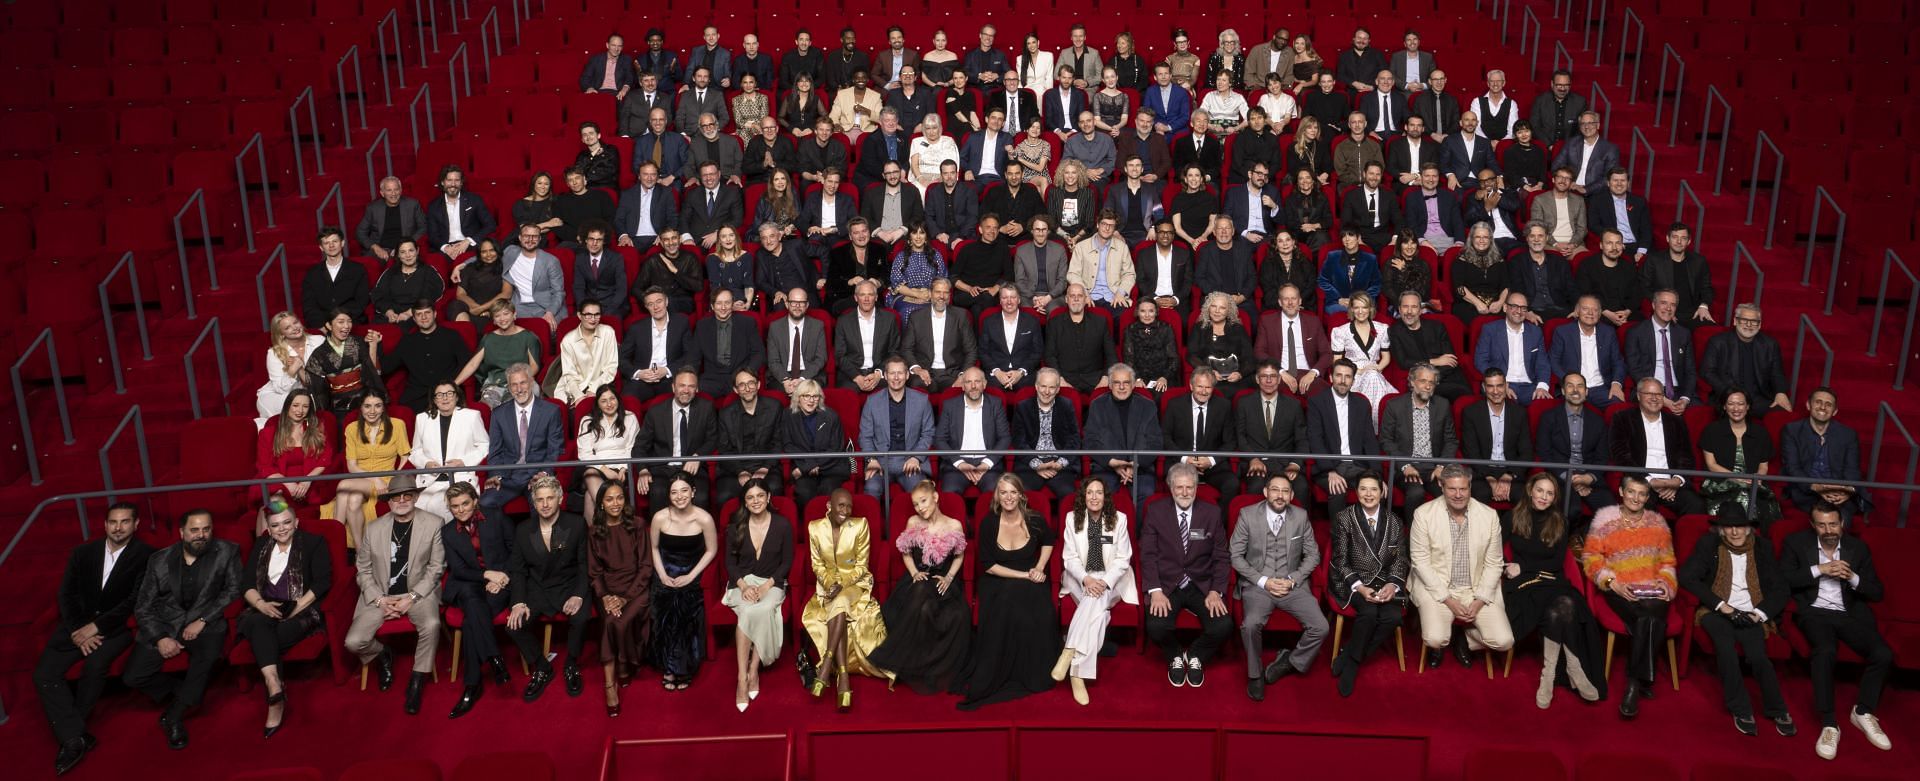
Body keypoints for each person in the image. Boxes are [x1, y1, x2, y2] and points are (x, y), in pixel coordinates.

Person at [35, 502, 153, 774]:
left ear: (135, 525)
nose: (118, 527)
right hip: (75, 628)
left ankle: (71, 739)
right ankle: (75, 735)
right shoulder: (82, 553)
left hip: (115, 629)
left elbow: (134, 601)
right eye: (113, 521)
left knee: (95, 666)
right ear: (105, 524)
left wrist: (97, 627)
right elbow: (66, 594)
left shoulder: (147, 555)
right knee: (43, 674)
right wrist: (81, 630)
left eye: (125, 522)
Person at [1781, 503, 1896, 760]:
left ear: (1841, 524)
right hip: (1814, 612)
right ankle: (1829, 723)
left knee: (1883, 654)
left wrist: (1853, 577)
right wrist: (1818, 570)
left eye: (1833, 524)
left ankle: (1863, 711)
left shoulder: (1858, 548)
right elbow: (1781, 580)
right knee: (1825, 651)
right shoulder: (1796, 543)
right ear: (1813, 526)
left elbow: (1877, 592)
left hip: (1848, 614)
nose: (1828, 529)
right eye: (1821, 524)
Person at [124, 509, 241, 751]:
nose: (202, 535)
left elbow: (233, 591)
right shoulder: (159, 560)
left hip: (205, 623)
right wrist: (160, 638)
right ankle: (186, 692)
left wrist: (203, 620)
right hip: (166, 624)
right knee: (133, 676)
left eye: (206, 529)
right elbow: (143, 606)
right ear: (182, 532)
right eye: (195, 530)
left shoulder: (228, 551)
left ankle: (174, 717)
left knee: (207, 657)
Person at [1678, 504, 1795, 737]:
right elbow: (1688, 576)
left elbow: (1781, 588)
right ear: (1721, 530)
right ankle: (1740, 709)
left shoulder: (1763, 548)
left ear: (1749, 529)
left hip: (1751, 612)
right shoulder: (1708, 545)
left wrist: (1759, 613)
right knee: (1726, 650)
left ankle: (1777, 709)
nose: (1734, 532)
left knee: (1759, 657)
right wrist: (1723, 606)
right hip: (1717, 611)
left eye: (1739, 527)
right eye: (1729, 527)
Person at [1502, 474, 1605, 709]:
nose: (1543, 497)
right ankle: (1572, 667)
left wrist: (1524, 566)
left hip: (1551, 579)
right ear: (1530, 490)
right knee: (1561, 607)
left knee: (1562, 606)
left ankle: (1550, 675)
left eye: (1549, 493)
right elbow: (1494, 549)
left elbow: (1557, 563)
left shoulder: (1560, 521)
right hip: (1524, 585)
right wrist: (1506, 568)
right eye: (1540, 491)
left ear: (1554, 497)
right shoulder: (1512, 517)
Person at [957, 476, 1059, 710]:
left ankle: (1032, 671)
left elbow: (1049, 541)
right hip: (997, 579)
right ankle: (1000, 670)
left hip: (1031, 576)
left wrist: (1040, 567)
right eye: (1003, 493)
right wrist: (1025, 575)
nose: (1009, 497)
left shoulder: (1035, 519)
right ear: (997, 497)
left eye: (1013, 492)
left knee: (1038, 604)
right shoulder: (988, 524)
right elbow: (988, 565)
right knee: (1007, 601)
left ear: (1022, 495)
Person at [344, 476, 444, 715]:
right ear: (388, 501)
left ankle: (418, 679)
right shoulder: (373, 528)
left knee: (431, 624)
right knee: (353, 642)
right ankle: (382, 653)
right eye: (396, 496)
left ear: (416, 497)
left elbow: (436, 568)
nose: (402, 500)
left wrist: (412, 597)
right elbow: (363, 569)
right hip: (381, 595)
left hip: (417, 593)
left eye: (407, 495)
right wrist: (379, 599)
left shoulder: (434, 523)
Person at [1582, 474, 1677, 718]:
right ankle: (1643, 680)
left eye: (1642, 494)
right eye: (1631, 492)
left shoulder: (1658, 523)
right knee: (1651, 617)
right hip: (1621, 588)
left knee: (1650, 613)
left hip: (1653, 591)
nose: (1636, 498)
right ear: (1622, 493)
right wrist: (1611, 582)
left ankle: (1633, 683)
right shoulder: (1604, 519)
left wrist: (1666, 583)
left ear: (1647, 497)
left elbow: (1668, 561)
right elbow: (1591, 559)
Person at [237, 499, 331, 736]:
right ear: (268, 528)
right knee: (259, 622)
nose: (282, 528)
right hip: (263, 609)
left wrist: (294, 610)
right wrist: (261, 604)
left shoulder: (313, 543)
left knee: (264, 636)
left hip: (299, 610)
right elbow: (247, 585)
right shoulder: (261, 545)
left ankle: (273, 694)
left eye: (287, 522)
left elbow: (322, 583)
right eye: (276, 525)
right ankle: (274, 687)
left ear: (296, 522)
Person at [1231, 473, 1328, 701]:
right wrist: (1263, 581)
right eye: (1275, 490)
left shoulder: (1301, 516)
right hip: (1258, 584)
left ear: (1292, 495)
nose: (1280, 495)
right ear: (1265, 492)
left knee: (1321, 627)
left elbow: (1313, 555)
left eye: (1285, 491)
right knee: (1251, 624)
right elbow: (1235, 556)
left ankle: (1291, 661)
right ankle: (1255, 674)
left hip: (1292, 585)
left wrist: (1293, 579)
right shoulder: (1247, 515)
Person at [868, 482, 972, 693]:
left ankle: (904, 660)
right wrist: (914, 572)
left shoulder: (954, 525)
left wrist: (950, 577)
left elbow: (960, 555)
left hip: (944, 580)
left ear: (935, 497)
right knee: (923, 602)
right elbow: (905, 552)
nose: (920, 508)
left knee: (953, 613)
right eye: (916, 504)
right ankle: (916, 666)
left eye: (923, 501)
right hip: (917, 579)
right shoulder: (913, 522)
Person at [1409, 466, 1514, 668]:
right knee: (1435, 639)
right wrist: (1448, 600)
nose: (1458, 495)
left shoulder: (1489, 516)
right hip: (1438, 589)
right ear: (1441, 486)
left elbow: (1494, 563)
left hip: (1475, 589)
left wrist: (1481, 599)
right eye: (1452, 489)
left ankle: (1464, 638)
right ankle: (1446, 638)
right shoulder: (1423, 514)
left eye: (1463, 489)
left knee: (1504, 641)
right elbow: (1420, 562)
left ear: (1470, 487)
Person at [1140, 464, 1232, 688]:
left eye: (1189, 487)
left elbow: (1221, 556)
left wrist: (1215, 591)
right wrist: (1155, 591)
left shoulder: (1211, 512)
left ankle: (1196, 656)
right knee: (1156, 626)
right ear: (1171, 488)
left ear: (1196, 488)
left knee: (1223, 626)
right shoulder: (1155, 511)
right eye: (1179, 487)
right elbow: (1148, 554)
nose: (1184, 492)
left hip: (1201, 583)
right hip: (1166, 582)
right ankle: (1174, 656)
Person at [506, 474, 594, 700]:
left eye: (550, 498)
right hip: (538, 589)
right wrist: (518, 602)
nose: (545, 504)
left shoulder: (575, 524)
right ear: (533, 502)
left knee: (581, 618)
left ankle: (571, 664)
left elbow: (585, 565)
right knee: (514, 626)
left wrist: (578, 595)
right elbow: (518, 570)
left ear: (560, 498)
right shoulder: (523, 529)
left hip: (569, 585)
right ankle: (543, 667)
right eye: (539, 499)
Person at [802, 489, 891, 707]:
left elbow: (862, 566)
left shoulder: (860, 525)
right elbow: (817, 564)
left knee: (841, 600)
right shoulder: (815, 527)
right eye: (840, 505)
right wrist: (829, 584)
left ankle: (826, 665)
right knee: (838, 604)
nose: (845, 510)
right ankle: (843, 676)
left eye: (849, 506)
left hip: (854, 584)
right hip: (827, 586)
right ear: (829, 506)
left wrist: (840, 584)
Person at [1055, 476, 1135, 705]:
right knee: (1099, 613)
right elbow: (1069, 558)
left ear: (1105, 496)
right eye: (1089, 492)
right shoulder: (1072, 519)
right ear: (1083, 496)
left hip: (1112, 579)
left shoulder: (1119, 520)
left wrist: (1105, 581)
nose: (1094, 497)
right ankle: (1078, 673)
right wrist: (1086, 579)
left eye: (1098, 492)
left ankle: (1069, 654)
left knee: (1096, 601)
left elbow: (1123, 559)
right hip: (1080, 578)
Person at [1325, 472, 1406, 696]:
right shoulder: (1344, 518)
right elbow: (1339, 560)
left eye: (1373, 489)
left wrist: (1392, 585)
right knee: (1369, 613)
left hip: (1382, 582)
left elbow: (1400, 560)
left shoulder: (1395, 521)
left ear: (1382, 493)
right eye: (1363, 489)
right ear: (1356, 492)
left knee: (1394, 617)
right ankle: (1352, 667)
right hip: (1352, 581)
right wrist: (1360, 587)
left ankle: (1350, 655)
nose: (1368, 494)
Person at [440, 482, 514, 719]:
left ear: (475, 500)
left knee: (473, 618)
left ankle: (472, 684)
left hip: (500, 580)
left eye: (464, 504)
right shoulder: (449, 532)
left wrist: (501, 577)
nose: (460, 510)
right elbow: (458, 570)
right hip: (468, 582)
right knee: (472, 601)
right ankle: (494, 658)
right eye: (454, 507)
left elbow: (515, 551)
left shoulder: (496, 517)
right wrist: (485, 575)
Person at [722, 480, 791, 711]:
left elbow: (787, 561)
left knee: (759, 608)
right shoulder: (735, 526)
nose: (756, 501)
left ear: (769, 497)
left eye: (760, 496)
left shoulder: (782, 525)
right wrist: (743, 586)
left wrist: (766, 586)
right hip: (742, 583)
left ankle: (753, 669)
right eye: (750, 497)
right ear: (745, 501)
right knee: (749, 610)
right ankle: (742, 678)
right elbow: (730, 564)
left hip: (772, 583)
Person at [1611, 378, 1707, 516]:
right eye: (1649, 394)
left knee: (1696, 505)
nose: (1654, 398)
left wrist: (1677, 480)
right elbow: (1621, 455)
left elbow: (1686, 456)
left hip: (1672, 484)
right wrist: (1650, 481)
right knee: (1644, 509)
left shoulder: (1676, 422)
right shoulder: (1622, 418)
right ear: (1638, 395)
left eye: (1659, 394)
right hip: (1640, 481)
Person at [479, 364, 565, 515]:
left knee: (542, 506)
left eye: (523, 383)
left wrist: (544, 474)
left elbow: (555, 449)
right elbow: (495, 451)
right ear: (509, 388)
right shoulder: (499, 414)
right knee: (485, 503)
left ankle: (535, 538)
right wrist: (496, 475)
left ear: (531, 382)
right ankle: (511, 538)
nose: (519, 389)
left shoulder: (551, 411)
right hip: (508, 476)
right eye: (514, 384)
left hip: (537, 475)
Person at [332, 393, 410, 549]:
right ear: (361, 408)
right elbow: (352, 466)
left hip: (387, 480)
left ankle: (335, 542)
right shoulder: (352, 428)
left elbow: (405, 458)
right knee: (353, 500)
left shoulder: (397, 425)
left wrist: (396, 481)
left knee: (342, 486)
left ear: (383, 408)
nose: (372, 411)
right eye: (367, 406)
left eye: (378, 405)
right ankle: (360, 551)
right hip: (362, 478)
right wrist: (374, 479)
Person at [1780, 388, 1872, 521]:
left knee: (1842, 518)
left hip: (1839, 491)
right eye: (1818, 402)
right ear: (1808, 405)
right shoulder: (1791, 431)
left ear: (1835, 411)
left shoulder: (1848, 434)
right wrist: (1818, 487)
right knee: (1825, 517)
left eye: (1828, 404)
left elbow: (1852, 469)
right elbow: (1793, 468)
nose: (1823, 407)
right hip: (1808, 490)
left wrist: (1846, 490)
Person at [1379, 364, 1458, 518]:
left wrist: (1441, 466)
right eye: (1423, 381)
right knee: (1416, 493)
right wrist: (1405, 465)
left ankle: (1439, 538)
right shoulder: (1394, 406)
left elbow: (1451, 441)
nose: (1427, 386)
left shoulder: (1442, 405)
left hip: (1434, 467)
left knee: (1448, 494)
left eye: (1432, 382)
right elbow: (1386, 440)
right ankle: (1412, 538)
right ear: (1412, 382)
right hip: (1406, 466)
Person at [634, 369, 718, 508]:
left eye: (691, 386)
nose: (686, 390)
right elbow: (640, 446)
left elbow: (713, 439)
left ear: (697, 389)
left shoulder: (706, 408)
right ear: (673, 387)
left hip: (693, 467)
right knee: (658, 492)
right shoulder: (656, 411)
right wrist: (643, 470)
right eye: (682, 385)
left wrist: (697, 456)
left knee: (701, 496)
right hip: (662, 467)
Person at [371, 299, 474, 413]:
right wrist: (375, 345)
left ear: (435, 314)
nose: (423, 317)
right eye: (419, 314)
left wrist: (452, 384)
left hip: (447, 393)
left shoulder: (452, 335)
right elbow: (385, 367)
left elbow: (466, 362)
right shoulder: (407, 341)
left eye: (427, 313)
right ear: (414, 319)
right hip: (417, 396)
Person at [1308, 360, 1382, 518]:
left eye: (1348, 377)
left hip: (1357, 466)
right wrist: (1330, 471)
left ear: (1353, 381)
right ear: (1331, 377)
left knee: (1373, 491)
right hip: (1329, 466)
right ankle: (1339, 540)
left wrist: (1377, 475)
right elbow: (1316, 440)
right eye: (1339, 375)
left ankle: (1368, 537)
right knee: (1338, 490)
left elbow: (1369, 441)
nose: (1343, 380)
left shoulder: (1361, 403)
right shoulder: (1317, 402)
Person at [1536, 373, 1614, 513]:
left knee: (1611, 513)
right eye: (1570, 386)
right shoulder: (1549, 417)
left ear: (1586, 391)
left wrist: (1589, 478)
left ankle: (1582, 535)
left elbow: (1602, 457)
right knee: (1571, 511)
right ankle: (1571, 535)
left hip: (1588, 474)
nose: (1575, 390)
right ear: (1564, 391)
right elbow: (1544, 453)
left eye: (1580, 386)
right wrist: (1570, 479)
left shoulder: (1598, 421)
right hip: (1559, 475)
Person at [859, 355, 936, 497]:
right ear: (886, 376)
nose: (896, 377)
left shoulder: (922, 400)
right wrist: (871, 459)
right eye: (892, 373)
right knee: (871, 489)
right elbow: (865, 436)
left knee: (920, 493)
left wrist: (916, 457)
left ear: (907, 375)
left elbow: (928, 433)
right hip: (881, 461)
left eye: (900, 373)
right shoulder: (872, 402)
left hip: (910, 461)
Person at [1084, 362, 1162, 497]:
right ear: (1109, 385)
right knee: (1100, 494)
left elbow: (1155, 442)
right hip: (1106, 467)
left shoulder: (1148, 406)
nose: (1121, 387)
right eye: (1116, 383)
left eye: (1126, 383)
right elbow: (1090, 441)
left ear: (1133, 385)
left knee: (1145, 493)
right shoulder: (1097, 405)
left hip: (1140, 468)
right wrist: (1112, 462)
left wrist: (1135, 463)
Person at [1701, 303, 1793, 415]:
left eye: (1754, 321)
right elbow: (1707, 372)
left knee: (1781, 413)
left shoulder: (1770, 345)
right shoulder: (1718, 342)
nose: (1749, 325)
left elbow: (1777, 373)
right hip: (1728, 396)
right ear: (1735, 321)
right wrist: (1729, 393)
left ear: (1759, 325)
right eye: (1744, 320)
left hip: (1758, 399)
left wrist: (1780, 392)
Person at [255, 390, 336, 515]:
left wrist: (307, 480)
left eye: (305, 406)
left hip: (310, 485)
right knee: (274, 505)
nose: (300, 411)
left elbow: (326, 459)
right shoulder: (268, 434)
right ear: (288, 406)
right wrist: (289, 484)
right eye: (296, 405)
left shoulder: (317, 430)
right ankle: (268, 534)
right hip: (280, 483)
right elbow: (265, 467)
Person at [1459, 369, 1533, 506]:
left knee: (1523, 496)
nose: (1495, 391)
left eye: (1499, 386)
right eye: (1490, 386)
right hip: (1482, 471)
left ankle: (1508, 527)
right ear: (1483, 387)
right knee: (1480, 495)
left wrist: (1509, 476)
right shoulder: (1471, 412)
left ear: (1506, 386)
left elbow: (1526, 452)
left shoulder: (1519, 413)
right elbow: (1471, 452)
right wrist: (1490, 479)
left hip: (1511, 469)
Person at [1164, 366, 1239, 500]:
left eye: (1208, 387)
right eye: (1200, 386)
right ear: (1191, 386)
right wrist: (1185, 459)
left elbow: (1230, 442)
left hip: (1212, 465)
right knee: (1173, 483)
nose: (1204, 391)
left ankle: (1218, 521)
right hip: (1181, 463)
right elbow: (1165, 437)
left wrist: (1210, 460)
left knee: (1232, 484)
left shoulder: (1224, 406)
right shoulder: (1174, 405)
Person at [452, 302, 540, 409]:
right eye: (497, 316)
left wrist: (517, 381)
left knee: (513, 409)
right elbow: (473, 364)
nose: (502, 318)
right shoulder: (489, 338)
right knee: (485, 409)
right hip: (495, 383)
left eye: (506, 314)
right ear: (493, 320)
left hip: (520, 382)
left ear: (514, 314)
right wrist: (454, 384)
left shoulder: (528, 336)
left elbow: (534, 366)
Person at [1010, 369, 1081, 498]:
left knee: (1069, 495)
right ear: (1036, 386)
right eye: (1043, 386)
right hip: (1030, 463)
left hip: (1059, 462)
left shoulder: (1067, 405)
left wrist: (1060, 463)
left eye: (1052, 387)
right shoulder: (1023, 407)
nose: (1047, 392)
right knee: (1023, 494)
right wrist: (1037, 465)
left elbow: (1074, 438)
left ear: (1058, 389)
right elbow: (1019, 441)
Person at [573, 385, 639, 526]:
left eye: (612, 399)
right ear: (597, 403)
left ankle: (595, 538)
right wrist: (604, 469)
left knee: (589, 497)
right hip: (595, 465)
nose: (609, 404)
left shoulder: (630, 418)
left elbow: (632, 447)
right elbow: (584, 454)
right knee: (591, 473)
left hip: (621, 467)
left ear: (618, 399)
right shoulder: (587, 421)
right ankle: (612, 525)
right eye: (603, 401)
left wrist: (623, 468)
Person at [1549, 296, 1629, 410]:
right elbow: (1553, 361)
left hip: (1600, 388)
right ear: (1577, 311)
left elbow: (1618, 361)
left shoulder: (1608, 332)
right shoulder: (1562, 332)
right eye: (1585, 309)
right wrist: (1568, 383)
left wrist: (1616, 384)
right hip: (1573, 387)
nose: (1591, 313)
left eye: (1595, 310)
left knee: (1620, 409)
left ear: (1600, 314)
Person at [783, 380, 853, 510]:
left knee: (828, 492)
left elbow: (835, 449)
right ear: (798, 398)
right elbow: (788, 445)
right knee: (805, 494)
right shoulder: (788, 415)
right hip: (804, 467)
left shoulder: (831, 416)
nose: (811, 400)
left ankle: (828, 528)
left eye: (815, 396)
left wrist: (810, 465)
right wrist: (807, 466)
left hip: (831, 467)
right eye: (806, 396)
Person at [1388, 291, 1471, 399]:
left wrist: (1432, 379)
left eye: (1414, 307)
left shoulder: (1437, 327)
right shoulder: (1394, 331)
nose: (1409, 311)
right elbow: (1404, 362)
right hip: (1420, 382)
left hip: (1447, 378)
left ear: (1420, 310)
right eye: (1405, 307)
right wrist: (1435, 361)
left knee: (1463, 396)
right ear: (1399, 309)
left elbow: (1450, 361)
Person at [1473, 292, 1553, 404]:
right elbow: (1480, 361)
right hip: (1502, 383)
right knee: (1507, 409)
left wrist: (1542, 386)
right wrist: (1499, 383)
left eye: (1523, 308)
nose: (1519, 311)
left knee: (1545, 407)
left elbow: (1542, 363)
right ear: (1505, 307)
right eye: (1514, 306)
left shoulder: (1535, 332)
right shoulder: (1490, 330)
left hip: (1529, 386)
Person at [1328, 294, 1394, 423]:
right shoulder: (1341, 331)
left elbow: (1386, 357)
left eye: (1364, 307)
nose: (1360, 311)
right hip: (1352, 374)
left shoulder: (1382, 329)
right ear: (1351, 309)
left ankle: (1371, 424)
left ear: (1370, 309)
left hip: (1375, 372)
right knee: (1371, 376)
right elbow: (1337, 361)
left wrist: (1377, 368)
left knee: (1372, 376)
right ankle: (1372, 426)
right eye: (1356, 307)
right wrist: (1360, 371)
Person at [904, 279, 977, 392]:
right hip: (924, 372)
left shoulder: (961, 316)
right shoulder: (916, 317)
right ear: (931, 293)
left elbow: (971, 350)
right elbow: (906, 349)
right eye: (938, 292)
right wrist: (917, 369)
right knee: (916, 384)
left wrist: (963, 375)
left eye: (945, 292)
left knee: (962, 389)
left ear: (950, 295)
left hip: (951, 374)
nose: (941, 296)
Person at [1640, 223, 1716, 331]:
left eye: (1683, 238)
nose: (1679, 242)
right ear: (1667, 238)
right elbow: (1644, 287)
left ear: (1689, 241)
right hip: (1665, 311)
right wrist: (1664, 309)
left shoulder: (1699, 261)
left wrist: (1703, 306)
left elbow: (1707, 288)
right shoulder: (1654, 260)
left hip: (1693, 313)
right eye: (1675, 237)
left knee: (1712, 333)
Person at [691, 289, 765, 397]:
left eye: (727, 303)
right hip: (711, 379)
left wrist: (747, 373)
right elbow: (693, 357)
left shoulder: (748, 323)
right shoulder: (702, 326)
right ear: (712, 306)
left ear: (732, 304)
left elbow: (759, 353)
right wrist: (689, 379)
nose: (723, 307)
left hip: (739, 377)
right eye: (719, 303)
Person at [1043, 285, 1117, 392]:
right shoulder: (1054, 323)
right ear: (1066, 299)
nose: (1076, 299)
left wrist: (1105, 378)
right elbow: (1049, 355)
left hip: (1095, 379)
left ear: (1086, 299)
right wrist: (1059, 378)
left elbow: (1111, 356)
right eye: (1072, 296)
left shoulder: (1100, 322)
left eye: (1080, 296)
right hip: (1064, 378)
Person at [256, 311, 324, 424]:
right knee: (295, 403)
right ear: (281, 334)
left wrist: (301, 368)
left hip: (310, 391)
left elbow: (323, 375)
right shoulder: (274, 353)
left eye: (295, 322)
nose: (295, 328)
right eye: (287, 327)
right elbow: (279, 388)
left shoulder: (319, 341)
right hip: (278, 395)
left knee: (302, 403)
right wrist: (293, 369)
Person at [833, 280, 901, 392]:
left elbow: (894, 351)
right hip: (852, 373)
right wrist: (857, 377)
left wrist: (879, 373)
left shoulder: (889, 319)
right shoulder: (843, 321)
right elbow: (840, 355)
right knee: (847, 394)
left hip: (880, 370)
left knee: (893, 389)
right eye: (862, 295)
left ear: (876, 297)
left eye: (870, 295)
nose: (866, 299)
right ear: (855, 298)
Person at [497, 224, 568, 325]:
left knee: (548, 331)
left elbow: (558, 292)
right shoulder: (510, 251)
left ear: (539, 239)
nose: (530, 240)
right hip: (519, 306)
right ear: (520, 238)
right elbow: (489, 257)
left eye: (534, 236)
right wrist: (465, 263)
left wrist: (550, 312)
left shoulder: (551, 261)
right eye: (526, 236)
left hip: (545, 306)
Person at [300, 227, 371, 327]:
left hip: (352, 323)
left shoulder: (358, 270)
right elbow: (309, 306)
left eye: (335, 241)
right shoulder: (312, 274)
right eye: (326, 243)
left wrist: (340, 322)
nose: (331, 245)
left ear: (342, 243)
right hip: (323, 326)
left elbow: (361, 302)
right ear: (321, 247)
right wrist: (323, 324)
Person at [1067, 211, 1137, 311]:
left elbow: (1129, 274)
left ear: (1114, 229)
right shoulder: (1081, 247)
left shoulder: (1122, 247)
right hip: (1088, 296)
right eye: (1104, 224)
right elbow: (1073, 274)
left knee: (1122, 315)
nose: (1107, 228)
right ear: (1097, 224)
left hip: (1113, 296)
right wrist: (1084, 293)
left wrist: (1120, 293)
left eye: (1111, 226)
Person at [424, 166, 496, 261]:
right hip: (446, 247)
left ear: (461, 183)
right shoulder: (433, 206)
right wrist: (446, 248)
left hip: (470, 244)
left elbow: (490, 224)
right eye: (449, 180)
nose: (453, 184)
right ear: (442, 182)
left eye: (457, 180)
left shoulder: (474, 200)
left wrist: (469, 241)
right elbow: (432, 235)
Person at [554, 301, 619, 406]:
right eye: (588, 315)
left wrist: (593, 389)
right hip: (575, 387)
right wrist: (578, 396)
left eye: (597, 314)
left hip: (601, 385)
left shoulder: (608, 332)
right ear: (579, 315)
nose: (593, 319)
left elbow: (611, 367)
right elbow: (569, 375)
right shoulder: (568, 340)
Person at [979, 285, 1042, 391]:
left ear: (1019, 300)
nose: (1009, 301)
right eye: (1005, 298)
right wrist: (997, 372)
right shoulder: (989, 322)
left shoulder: (1032, 321)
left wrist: (1021, 371)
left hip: (1024, 374)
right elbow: (983, 352)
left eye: (1013, 297)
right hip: (996, 375)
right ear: (1000, 301)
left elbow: (1037, 352)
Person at [370, 239, 446, 325]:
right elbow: (378, 295)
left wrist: (409, 313)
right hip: (391, 315)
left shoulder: (428, 271)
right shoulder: (390, 272)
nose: (408, 255)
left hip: (416, 314)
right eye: (403, 252)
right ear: (398, 255)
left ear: (417, 251)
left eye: (411, 250)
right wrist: (389, 312)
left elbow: (430, 296)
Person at [355, 176, 429, 260]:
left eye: (396, 189)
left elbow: (423, 227)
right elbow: (360, 232)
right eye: (389, 190)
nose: (393, 193)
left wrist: (406, 245)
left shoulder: (413, 205)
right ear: (382, 193)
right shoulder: (373, 208)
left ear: (400, 190)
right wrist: (375, 247)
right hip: (381, 249)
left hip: (405, 249)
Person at [1585, 168, 1652, 259]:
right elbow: (1593, 225)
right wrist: (1616, 241)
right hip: (1612, 244)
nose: (1619, 184)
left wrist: (1641, 251)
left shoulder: (1639, 202)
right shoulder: (1597, 201)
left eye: (1623, 180)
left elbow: (1646, 229)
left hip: (1636, 246)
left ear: (1628, 183)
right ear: (1608, 183)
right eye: (1615, 180)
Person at [1551, 111, 1620, 194]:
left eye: (1590, 123)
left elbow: (1609, 177)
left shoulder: (1610, 149)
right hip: (1570, 188)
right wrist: (1568, 181)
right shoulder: (1571, 143)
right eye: (1583, 123)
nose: (1586, 126)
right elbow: (1557, 165)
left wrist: (1586, 189)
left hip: (1595, 193)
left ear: (1598, 125)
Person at [887, 224, 947, 317]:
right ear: (910, 236)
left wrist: (929, 294)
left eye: (922, 233)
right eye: (914, 233)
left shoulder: (936, 255)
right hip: (906, 295)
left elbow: (942, 280)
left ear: (926, 236)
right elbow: (896, 284)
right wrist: (917, 294)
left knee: (933, 310)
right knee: (907, 311)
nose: (918, 237)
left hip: (931, 295)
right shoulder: (901, 256)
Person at [447, 237, 513, 323]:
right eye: (484, 252)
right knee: (455, 305)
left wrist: (482, 308)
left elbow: (506, 293)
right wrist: (475, 307)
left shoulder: (504, 267)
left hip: (493, 309)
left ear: (497, 251)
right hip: (470, 308)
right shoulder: (470, 268)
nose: (488, 254)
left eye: (492, 250)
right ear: (479, 254)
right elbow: (460, 294)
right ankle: (466, 330)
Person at [1014, 215, 1069, 313]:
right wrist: (1033, 298)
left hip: (1053, 295)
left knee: (1054, 310)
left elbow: (1062, 281)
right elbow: (1019, 281)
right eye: (1037, 230)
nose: (1040, 233)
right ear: (1032, 231)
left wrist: (1048, 298)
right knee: (1026, 309)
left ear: (1048, 231)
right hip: (1028, 296)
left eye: (1044, 230)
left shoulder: (1059, 250)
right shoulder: (1021, 251)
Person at [1125, 298, 1182, 393]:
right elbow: (1129, 358)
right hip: (1139, 376)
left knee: (1161, 396)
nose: (1147, 315)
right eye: (1143, 311)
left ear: (1156, 312)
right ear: (1137, 312)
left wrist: (1164, 377)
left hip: (1163, 375)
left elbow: (1173, 358)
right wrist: (1137, 379)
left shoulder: (1166, 328)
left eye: (1151, 311)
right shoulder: (1130, 330)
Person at [571, 225, 628, 319]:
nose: (594, 243)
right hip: (589, 305)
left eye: (599, 240)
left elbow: (621, 289)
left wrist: (607, 312)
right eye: (591, 239)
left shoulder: (616, 258)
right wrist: (584, 309)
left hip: (612, 305)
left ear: (604, 241)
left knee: (610, 323)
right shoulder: (580, 259)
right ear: (585, 240)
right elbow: (578, 287)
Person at [1528, 69, 1587, 146]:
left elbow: (1582, 128)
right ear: (1552, 84)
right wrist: (1548, 145)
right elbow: (1534, 126)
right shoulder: (1540, 100)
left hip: (1570, 147)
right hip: (1544, 146)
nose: (1563, 89)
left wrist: (1569, 146)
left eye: (1566, 85)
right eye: (1559, 85)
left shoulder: (1580, 102)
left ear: (1570, 84)